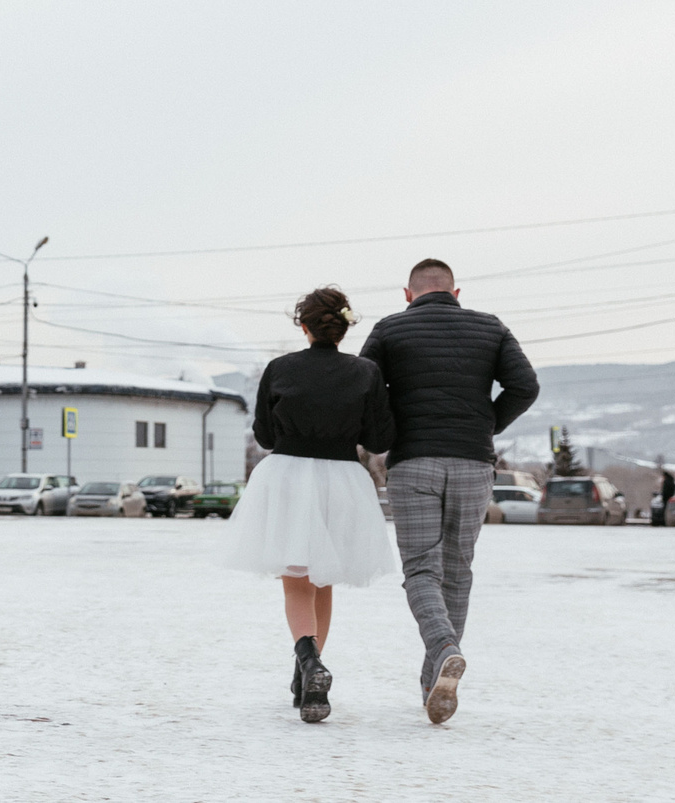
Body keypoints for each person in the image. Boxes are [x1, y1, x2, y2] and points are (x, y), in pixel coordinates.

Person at [359, 258, 539, 726]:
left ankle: (443, 650)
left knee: (421, 569)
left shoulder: (389, 330)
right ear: (456, 292)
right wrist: (486, 424)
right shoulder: (490, 327)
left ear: (407, 293)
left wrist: (388, 432)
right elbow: (526, 385)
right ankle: (432, 681)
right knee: (457, 570)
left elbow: (365, 388)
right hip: (473, 463)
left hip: (414, 461)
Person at [221, 287, 396, 723]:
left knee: (296, 580)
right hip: (342, 479)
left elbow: (263, 435)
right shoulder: (366, 372)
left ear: (303, 325)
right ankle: (309, 680)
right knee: (324, 579)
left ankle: (308, 662)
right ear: (344, 326)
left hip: (288, 477)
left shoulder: (280, 368)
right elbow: (379, 440)